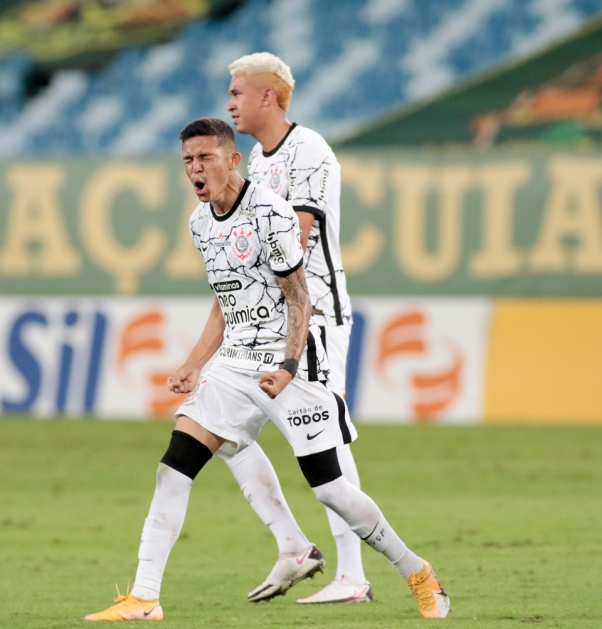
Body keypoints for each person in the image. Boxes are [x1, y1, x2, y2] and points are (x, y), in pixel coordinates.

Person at [85, 118, 449, 621]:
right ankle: (145, 597)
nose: (195, 168)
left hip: (292, 360)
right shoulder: (199, 221)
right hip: (234, 363)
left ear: (233, 160)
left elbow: (299, 296)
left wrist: (288, 365)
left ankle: (417, 572)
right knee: (175, 466)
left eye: (205, 157)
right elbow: (226, 297)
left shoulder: (270, 213)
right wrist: (194, 363)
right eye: (188, 160)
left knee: (331, 489)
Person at [224, 51, 369, 604]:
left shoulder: (307, 151)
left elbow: (298, 237)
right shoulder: (257, 163)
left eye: (238, 92)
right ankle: (294, 545)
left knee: (324, 439)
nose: (230, 102)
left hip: (313, 315)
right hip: (265, 319)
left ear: (267, 96)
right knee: (219, 426)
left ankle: (351, 575)